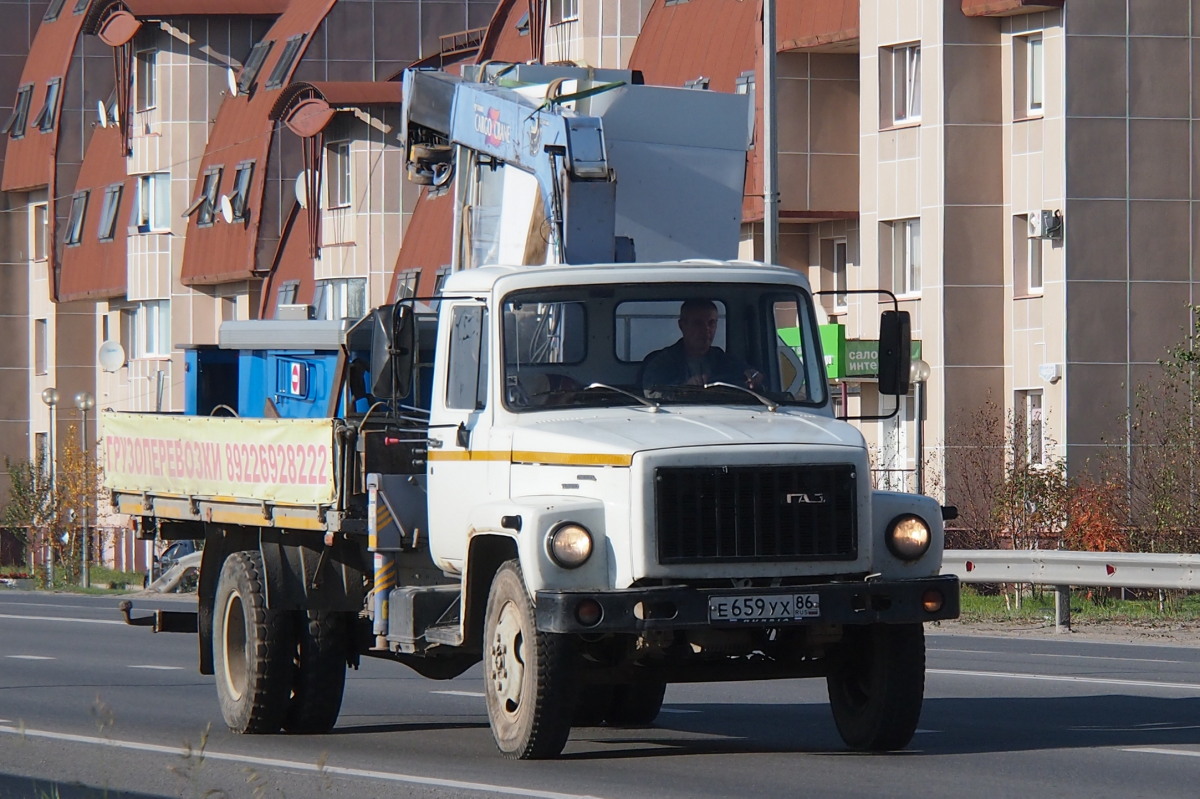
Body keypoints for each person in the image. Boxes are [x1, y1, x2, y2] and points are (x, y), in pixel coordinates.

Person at [641, 299, 763, 390]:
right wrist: (685, 388)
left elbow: (753, 380)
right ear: (682, 325)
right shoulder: (661, 363)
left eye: (711, 323)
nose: (706, 329)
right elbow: (651, 393)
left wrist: (754, 377)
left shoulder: (725, 361)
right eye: (697, 323)